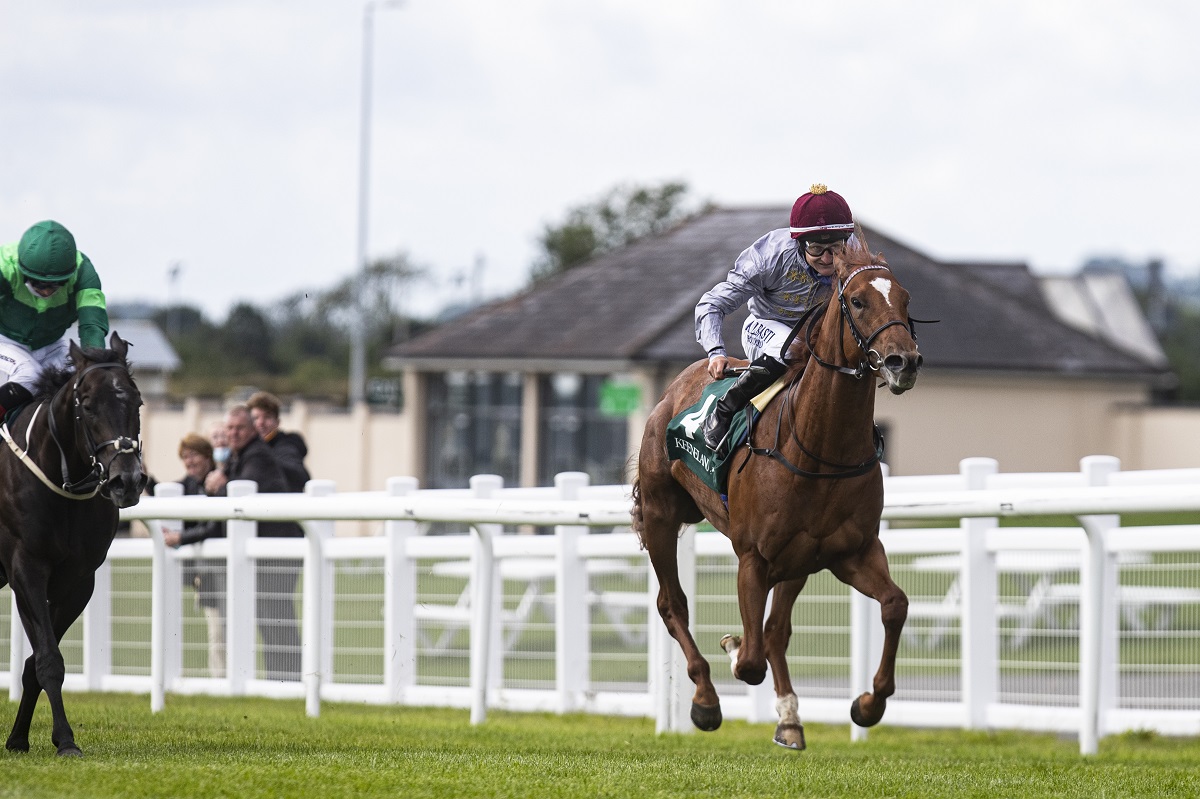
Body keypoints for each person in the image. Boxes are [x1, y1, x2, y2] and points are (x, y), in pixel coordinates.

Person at [694, 184, 857, 457]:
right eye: (817, 249)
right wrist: (715, 352)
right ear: (799, 242)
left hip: (817, 334)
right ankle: (723, 412)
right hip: (765, 325)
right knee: (791, 348)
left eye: (836, 249)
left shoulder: (856, 257)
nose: (828, 259)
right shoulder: (768, 258)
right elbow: (711, 304)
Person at [205, 405, 303, 681]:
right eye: (230, 429)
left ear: (251, 430)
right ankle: (281, 679)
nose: (233, 434)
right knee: (271, 618)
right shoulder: (242, 456)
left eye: (240, 428)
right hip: (270, 552)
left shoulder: (257, 455)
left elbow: (241, 496)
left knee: (276, 618)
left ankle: (286, 679)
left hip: (278, 551)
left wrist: (221, 485)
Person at [0, 220, 109, 418]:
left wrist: (94, 366)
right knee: (30, 375)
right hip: (5, 341)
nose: (46, 291)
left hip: (52, 345)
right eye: (39, 284)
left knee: (82, 380)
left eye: (55, 284)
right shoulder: (4, 265)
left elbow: (92, 326)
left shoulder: (85, 273)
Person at [162, 433, 227, 678]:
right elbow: (165, 490)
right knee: (216, 630)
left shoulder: (221, 483)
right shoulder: (188, 485)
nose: (189, 462)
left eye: (193, 456)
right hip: (205, 574)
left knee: (223, 629)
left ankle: (227, 680)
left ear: (207, 456)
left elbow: (213, 527)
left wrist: (180, 539)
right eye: (185, 458)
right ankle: (219, 679)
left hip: (223, 569)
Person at [246, 391, 311, 492]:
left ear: (277, 422)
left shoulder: (287, 444)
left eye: (267, 417)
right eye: (255, 418)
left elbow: (297, 473)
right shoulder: (242, 447)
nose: (260, 423)